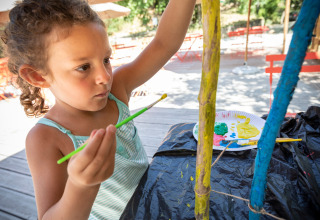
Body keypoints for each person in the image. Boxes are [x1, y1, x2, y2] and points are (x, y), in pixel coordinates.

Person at [2, 0, 196, 219]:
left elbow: (164, 43)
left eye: (106, 60)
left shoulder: (117, 90)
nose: (105, 77)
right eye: (83, 67)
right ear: (38, 76)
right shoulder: (45, 138)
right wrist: (81, 185)